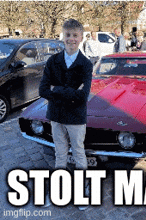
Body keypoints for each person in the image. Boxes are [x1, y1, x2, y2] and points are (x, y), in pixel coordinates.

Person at [39, 19, 93, 210]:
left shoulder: (86, 65)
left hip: (76, 118)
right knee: (60, 154)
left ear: (81, 38)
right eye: (68, 35)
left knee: (78, 154)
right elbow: (43, 90)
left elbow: (82, 96)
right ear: (63, 36)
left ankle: (82, 190)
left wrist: (57, 90)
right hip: (56, 115)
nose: (71, 39)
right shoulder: (53, 61)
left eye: (75, 35)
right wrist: (69, 91)